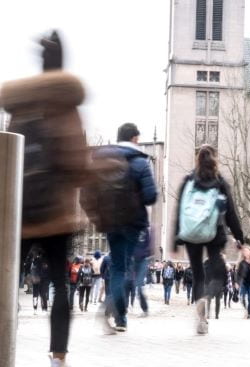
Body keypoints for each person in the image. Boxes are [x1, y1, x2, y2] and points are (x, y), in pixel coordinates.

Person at [2, 29, 88, 366]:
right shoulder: (66, 105)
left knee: (7, 280)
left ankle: (3, 339)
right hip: (57, 216)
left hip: (21, 214)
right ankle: (58, 356)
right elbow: (76, 164)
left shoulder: (21, 106)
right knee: (60, 287)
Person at [88, 123, 158, 332]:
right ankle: (108, 308)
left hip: (110, 221)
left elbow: (89, 192)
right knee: (123, 269)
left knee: (118, 267)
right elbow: (151, 195)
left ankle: (121, 319)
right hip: (132, 222)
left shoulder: (102, 161)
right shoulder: (140, 163)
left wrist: (97, 215)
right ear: (135, 138)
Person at [174, 144, 244, 335]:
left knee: (198, 274)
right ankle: (208, 296)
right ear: (215, 159)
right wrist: (239, 237)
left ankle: (201, 317)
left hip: (191, 233)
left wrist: (176, 235)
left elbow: (180, 208)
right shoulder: (220, 181)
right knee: (217, 270)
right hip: (214, 231)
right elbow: (231, 213)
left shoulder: (189, 179)